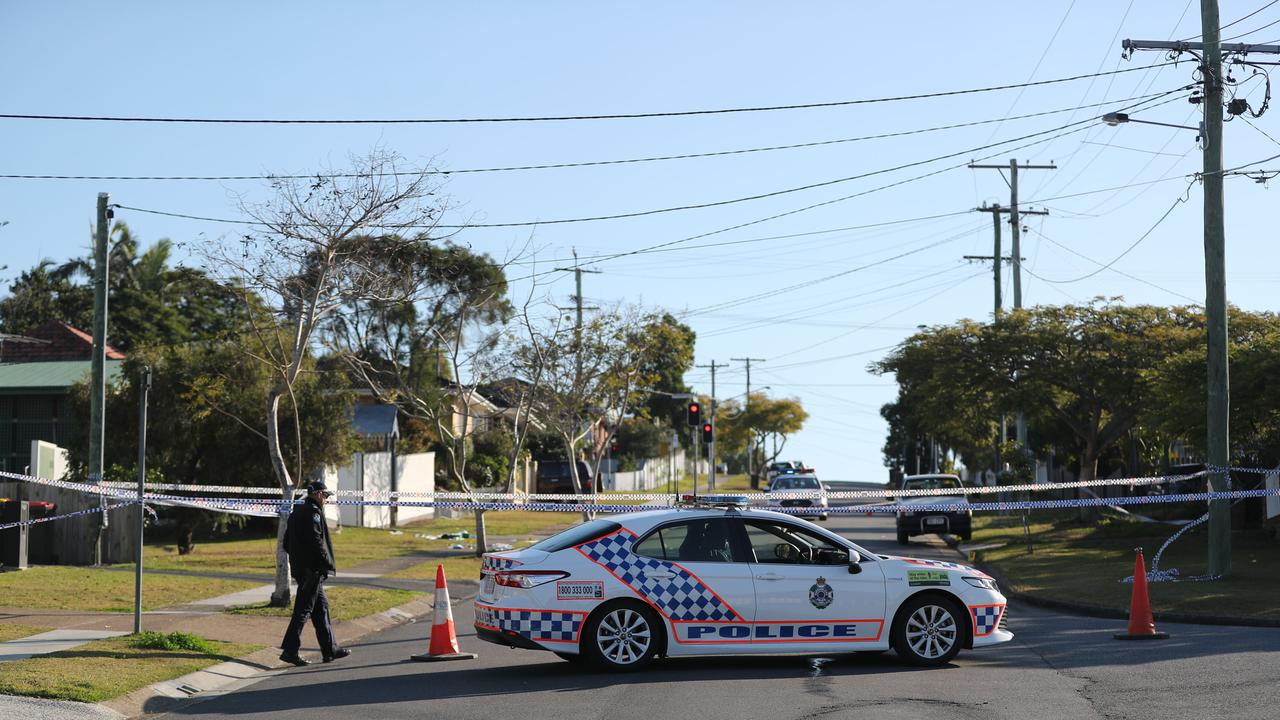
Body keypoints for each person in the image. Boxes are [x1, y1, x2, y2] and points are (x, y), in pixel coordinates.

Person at [279, 480, 350, 666]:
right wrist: (326, 562)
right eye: (325, 496)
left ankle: (329, 649)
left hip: (303, 569)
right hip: (312, 570)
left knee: (321, 609)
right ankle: (290, 650)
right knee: (303, 610)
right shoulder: (313, 513)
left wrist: (298, 560)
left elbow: (286, 543)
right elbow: (316, 541)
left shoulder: (297, 511)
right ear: (318, 494)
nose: (326, 500)